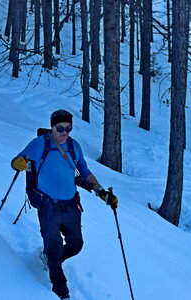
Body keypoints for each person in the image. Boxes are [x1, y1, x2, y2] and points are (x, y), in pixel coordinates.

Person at [11, 109, 118, 299]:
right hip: (49, 207)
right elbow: (17, 161)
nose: (64, 133)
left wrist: (101, 192)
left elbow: (84, 171)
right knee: (53, 247)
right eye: (60, 128)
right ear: (52, 127)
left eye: (68, 129)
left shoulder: (74, 146)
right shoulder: (39, 144)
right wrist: (18, 163)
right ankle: (62, 292)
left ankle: (52, 260)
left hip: (71, 205)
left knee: (76, 244)